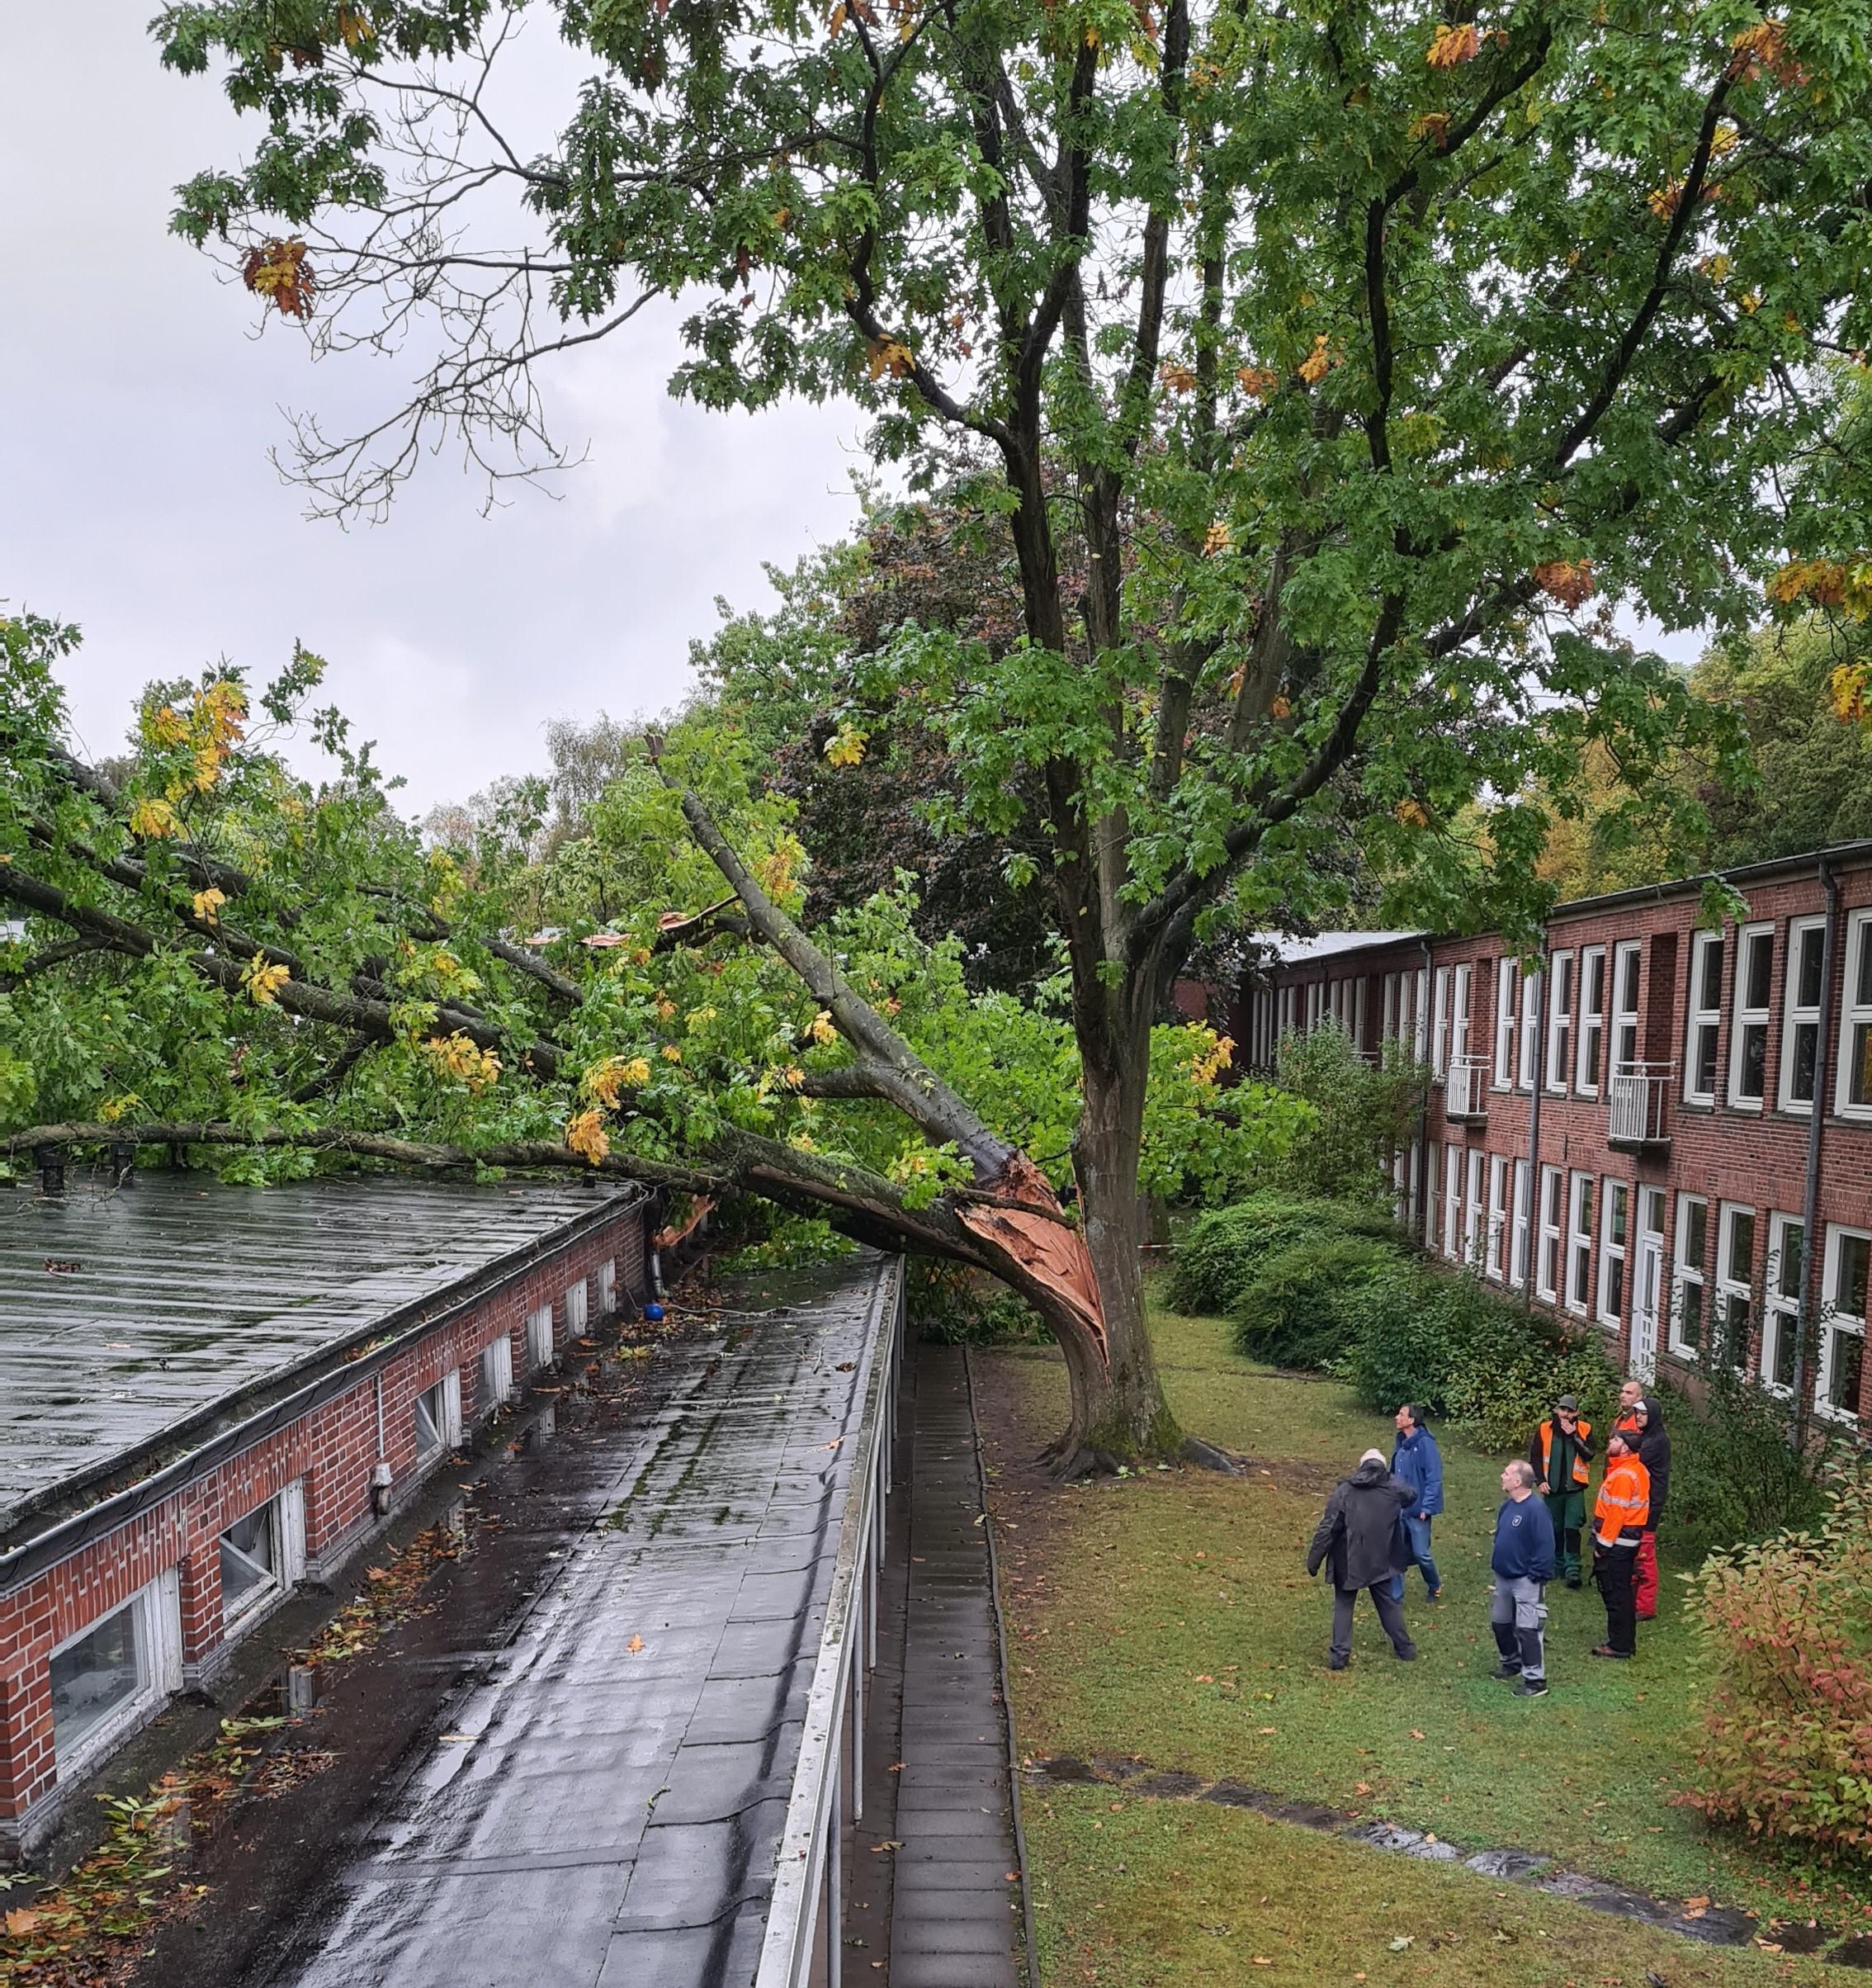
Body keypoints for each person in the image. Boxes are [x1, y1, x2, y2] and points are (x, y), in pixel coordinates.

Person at [1306, 1448, 1418, 1671]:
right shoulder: (1392, 1489)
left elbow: (1328, 1528)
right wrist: (1389, 1478)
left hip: (1348, 1559)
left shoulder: (1345, 1491)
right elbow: (1411, 1495)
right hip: (1381, 1558)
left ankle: (1339, 1656)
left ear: (1361, 1466)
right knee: (1388, 1605)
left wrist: (1314, 1559)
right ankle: (1405, 1648)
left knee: (1344, 1606)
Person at [1488, 1459, 1555, 1697]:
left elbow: (1546, 1547)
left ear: (1518, 1481)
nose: (1502, 1476)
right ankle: (1510, 1662)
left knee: (1528, 1630)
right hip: (1504, 1577)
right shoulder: (1508, 1506)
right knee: (1500, 1623)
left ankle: (1536, 1681)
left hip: (1526, 1580)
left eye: (1506, 1473)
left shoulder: (1536, 1510)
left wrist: (1535, 1575)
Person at [1590, 1428, 1651, 1659]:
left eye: (1615, 1439)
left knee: (1616, 1593)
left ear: (1624, 1447)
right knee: (1622, 1592)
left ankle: (1619, 1645)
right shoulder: (1636, 1470)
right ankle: (1622, 1641)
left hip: (1618, 1544)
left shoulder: (1624, 1476)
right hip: (1626, 1542)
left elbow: (1616, 1514)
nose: (1610, 1440)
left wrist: (1602, 1547)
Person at [1529, 1394, 1594, 1588]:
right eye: (1562, 1410)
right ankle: (1557, 1564)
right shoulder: (1544, 1429)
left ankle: (1573, 1569)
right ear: (1556, 1410)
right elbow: (1535, 1457)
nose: (1565, 1415)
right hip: (1552, 1489)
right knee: (1554, 1528)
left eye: (1570, 1411)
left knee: (1572, 1528)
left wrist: (1574, 1436)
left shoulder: (1584, 1429)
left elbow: (1589, 1454)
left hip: (1575, 1489)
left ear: (1576, 1413)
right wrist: (1539, 1480)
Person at [1388, 1403, 1444, 1603]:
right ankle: (1395, 1597)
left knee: (1421, 1554)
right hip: (1399, 1508)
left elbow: (1434, 1477)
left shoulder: (1426, 1444)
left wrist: (1427, 1506)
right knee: (1395, 1552)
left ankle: (1434, 1585)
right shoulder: (1401, 1442)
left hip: (1418, 1509)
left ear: (1411, 1420)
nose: (1397, 1417)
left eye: (1401, 1414)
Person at [1629, 1396, 1671, 1621]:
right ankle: (1635, 1600)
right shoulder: (1647, 1437)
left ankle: (1645, 1607)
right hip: (1640, 1506)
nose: (1638, 1417)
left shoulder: (1657, 1442)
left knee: (1644, 1556)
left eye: (1643, 1414)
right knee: (1635, 1552)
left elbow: (1634, 1461)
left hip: (1649, 1508)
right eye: (1637, 1414)